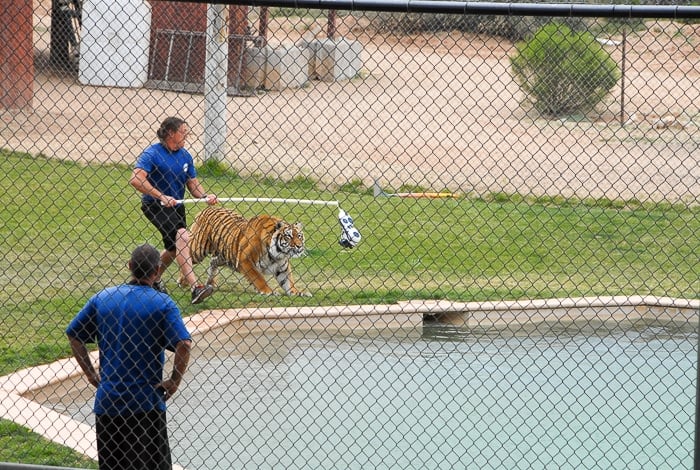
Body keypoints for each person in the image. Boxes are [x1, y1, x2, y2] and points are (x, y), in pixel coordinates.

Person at [66, 243, 192, 470]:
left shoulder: (103, 298)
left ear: (130, 266)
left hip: (108, 404)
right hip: (145, 405)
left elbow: (74, 335)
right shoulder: (163, 304)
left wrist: (91, 374)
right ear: (157, 270)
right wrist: (174, 381)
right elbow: (183, 344)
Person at [129, 116, 218, 304]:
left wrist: (205, 196)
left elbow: (193, 185)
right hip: (155, 205)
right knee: (183, 236)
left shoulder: (185, 156)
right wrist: (161, 196)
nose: (187, 134)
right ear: (170, 133)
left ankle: (152, 280)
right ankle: (195, 287)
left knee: (173, 248)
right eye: (183, 131)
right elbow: (136, 179)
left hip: (177, 206)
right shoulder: (152, 153)